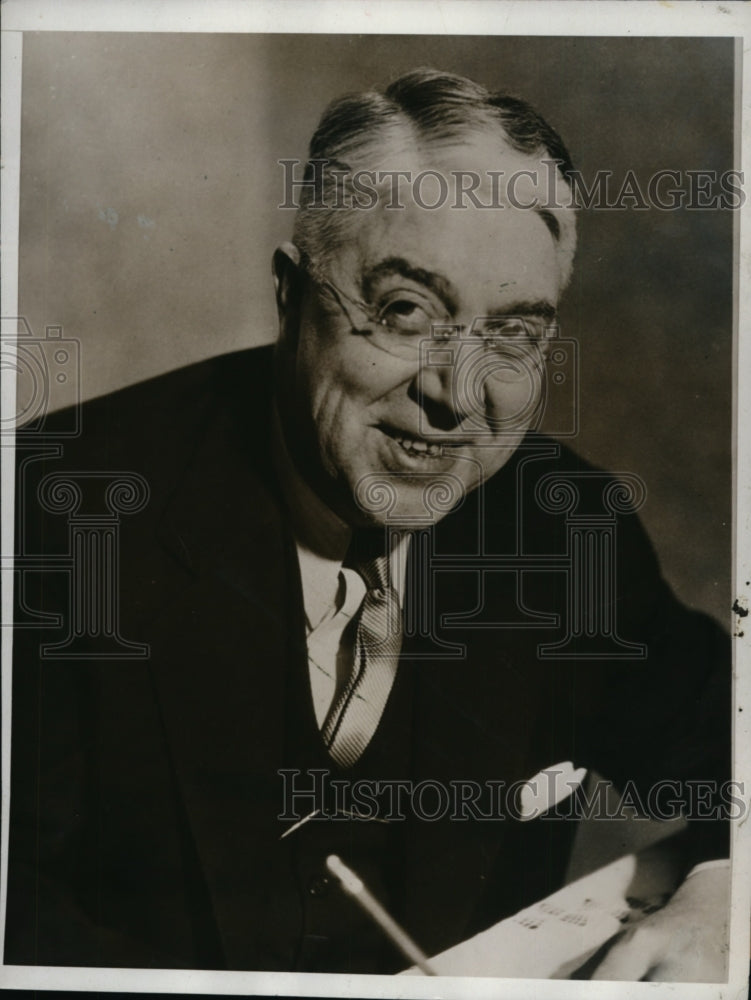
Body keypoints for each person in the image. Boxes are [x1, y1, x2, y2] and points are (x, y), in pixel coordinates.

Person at [5, 68, 730, 980]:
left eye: (511, 334)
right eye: (405, 311)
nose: (454, 396)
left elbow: (727, 732)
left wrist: (727, 891)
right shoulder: (57, 517)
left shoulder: (562, 527)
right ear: (288, 296)